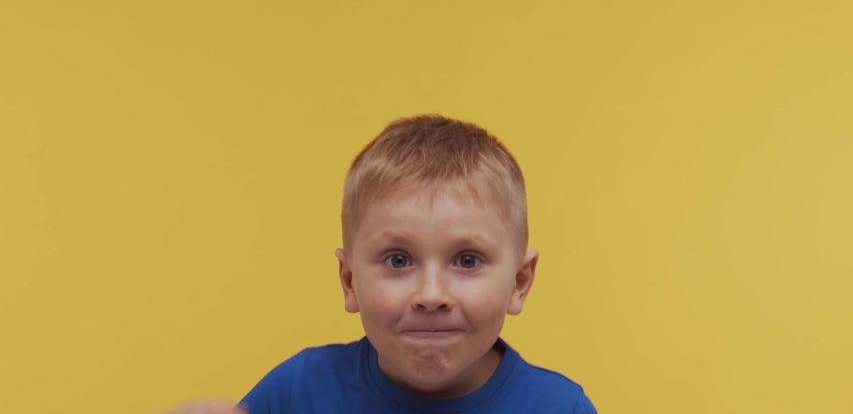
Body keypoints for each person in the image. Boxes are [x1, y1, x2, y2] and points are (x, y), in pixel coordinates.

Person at [164, 115, 597, 413]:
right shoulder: (299, 392)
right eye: (398, 259)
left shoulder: (560, 407)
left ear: (520, 283)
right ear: (349, 281)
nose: (431, 295)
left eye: (467, 260)